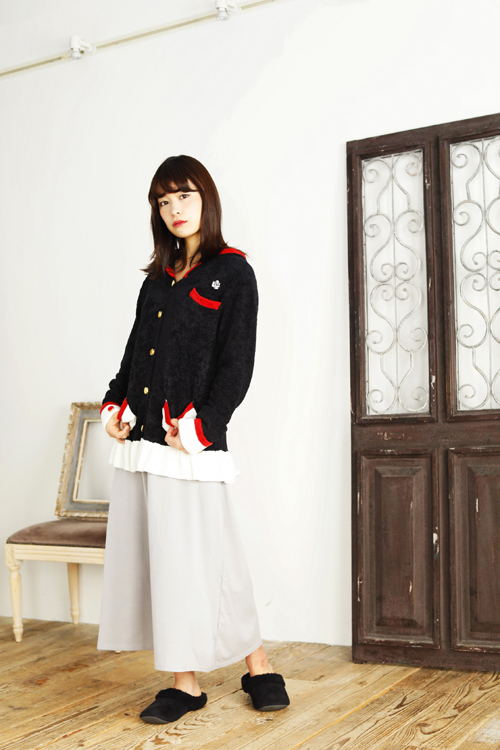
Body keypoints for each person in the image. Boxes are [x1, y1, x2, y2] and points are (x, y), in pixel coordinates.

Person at [96, 155, 290, 723]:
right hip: (145, 443)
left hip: (191, 445)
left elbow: (237, 364)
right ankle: (185, 683)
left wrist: (203, 428)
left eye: (183, 195)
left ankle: (257, 663)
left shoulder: (234, 273)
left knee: (216, 557)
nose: (174, 209)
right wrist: (115, 406)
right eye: (163, 201)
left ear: (206, 197)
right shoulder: (156, 281)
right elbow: (135, 355)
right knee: (169, 563)